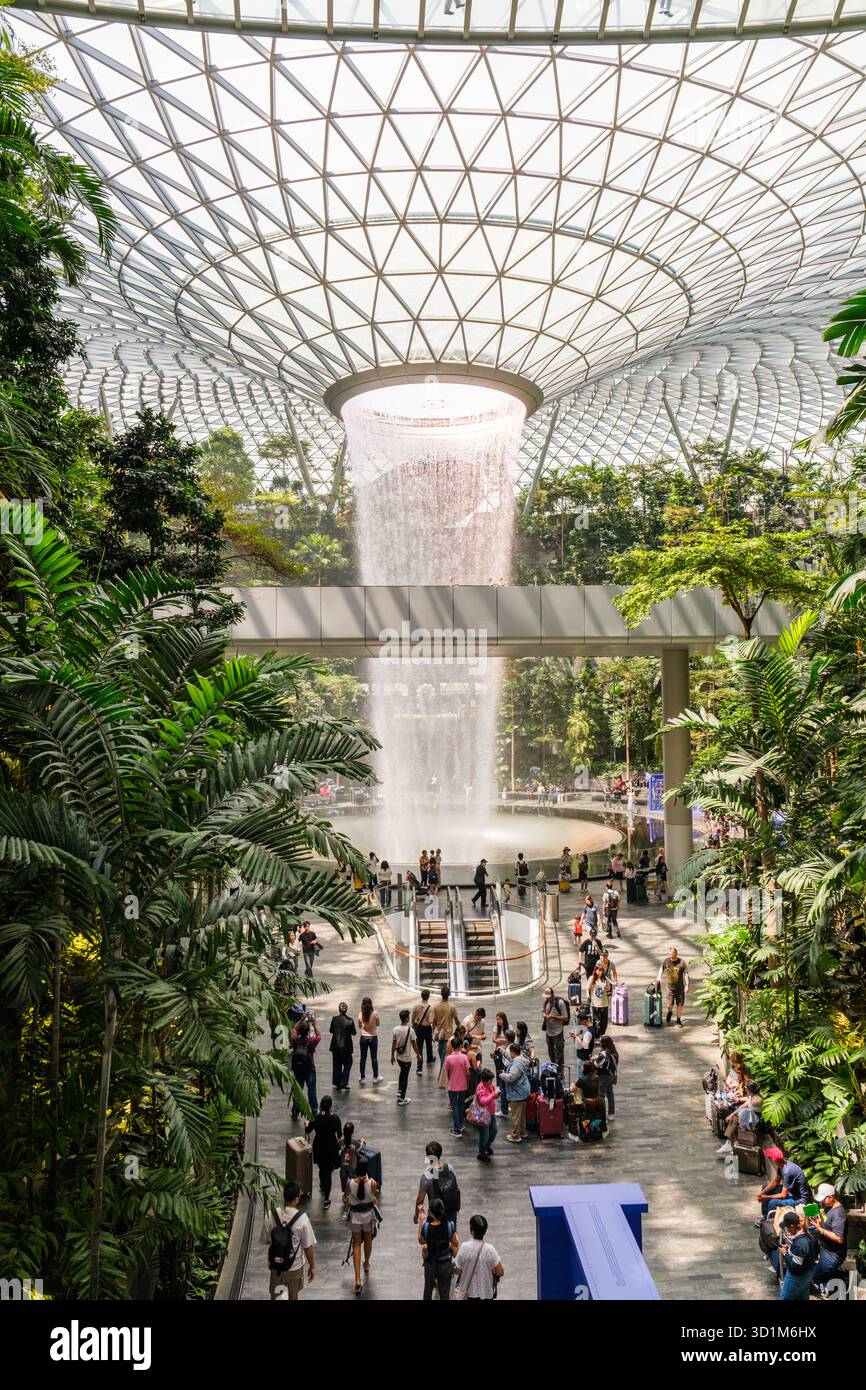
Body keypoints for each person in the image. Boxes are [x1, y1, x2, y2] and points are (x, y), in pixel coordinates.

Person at [261, 1180, 316, 1300]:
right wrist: (312, 1266)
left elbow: (265, 1240)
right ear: (296, 1199)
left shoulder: (271, 1214)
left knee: (277, 1295)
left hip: (276, 1264)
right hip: (294, 1265)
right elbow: (308, 1247)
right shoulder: (302, 1219)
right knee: (293, 1295)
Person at [344, 1156, 380, 1295]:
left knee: (356, 1243)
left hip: (355, 1217)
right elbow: (374, 1198)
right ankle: (366, 1263)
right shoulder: (372, 1183)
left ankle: (357, 1279)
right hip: (368, 1216)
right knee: (368, 1240)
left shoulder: (349, 1183)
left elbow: (345, 1198)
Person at [453, 1214, 504, 1301]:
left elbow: (457, 1269)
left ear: (472, 1231)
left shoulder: (464, 1247)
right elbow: (500, 1272)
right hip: (486, 1293)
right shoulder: (490, 1249)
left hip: (468, 1293)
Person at [413, 1140, 461, 1229]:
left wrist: (417, 1216)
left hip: (435, 1215)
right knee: (451, 1235)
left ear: (428, 1157)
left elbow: (420, 1201)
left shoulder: (427, 1176)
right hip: (450, 1211)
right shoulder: (449, 1168)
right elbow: (455, 1189)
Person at [419, 1197, 459, 1301]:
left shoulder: (426, 1227)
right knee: (444, 1293)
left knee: (428, 1290)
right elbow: (456, 1242)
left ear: (430, 1213)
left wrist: (420, 1221)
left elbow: (421, 1241)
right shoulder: (450, 1226)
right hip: (445, 1263)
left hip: (430, 1263)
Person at [305, 1096, 342, 1208]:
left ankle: (322, 1185)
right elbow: (339, 1134)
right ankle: (326, 1199)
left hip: (319, 1147)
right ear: (330, 1106)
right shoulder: (335, 1118)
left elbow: (308, 1130)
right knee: (328, 1173)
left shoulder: (317, 1118)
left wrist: (306, 1123)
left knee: (322, 1169)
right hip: (331, 1147)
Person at [809, 1184, 848, 1289]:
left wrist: (820, 1229)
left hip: (832, 1255)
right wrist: (820, 1222)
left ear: (831, 1197)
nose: (821, 1202)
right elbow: (828, 1223)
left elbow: (839, 1238)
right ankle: (831, 1278)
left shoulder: (838, 1214)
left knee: (813, 1278)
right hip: (825, 1249)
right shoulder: (829, 1207)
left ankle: (836, 1281)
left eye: (823, 1198)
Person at [757, 1148, 812, 1218]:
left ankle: (769, 1221)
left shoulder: (788, 1171)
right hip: (791, 1192)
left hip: (800, 1200)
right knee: (765, 1188)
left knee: (772, 1202)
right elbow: (776, 1181)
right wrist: (762, 1192)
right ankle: (765, 1217)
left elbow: (783, 1195)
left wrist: (766, 1197)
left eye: (770, 1158)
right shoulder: (782, 1166)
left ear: (774, 1160)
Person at [777, 1210, 819, 1301]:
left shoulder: (799, 1245)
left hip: (796, 1278)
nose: (786, 1230)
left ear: (792, 1227)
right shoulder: (808, 1235)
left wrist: (785, 1253)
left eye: (787, 1227)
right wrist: (789, 1249)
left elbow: (795, 1266)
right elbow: (804, 1255)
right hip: (807, 1275)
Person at [717, 1082, 763, 1154]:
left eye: (746, 1089)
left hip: (754, 1121)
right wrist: (731, 1115)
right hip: (748, 1118)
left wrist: (734, 1114)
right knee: (735, 1116)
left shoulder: (757, 1099)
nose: (745, 1090)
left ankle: (729, 1143)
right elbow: (743, 1106)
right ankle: (730, 1143)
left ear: (750, 1090)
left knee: (736, 1118)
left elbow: (748, 1106)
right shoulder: (752, 1096)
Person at [289, 1014, 320, 1119]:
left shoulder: (295, 1040)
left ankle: (295, 1112)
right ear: (307, 1032)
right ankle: (314, 1110)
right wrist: (314, 1025)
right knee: (311, 1091)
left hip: (298, 1070)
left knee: (298, 1092)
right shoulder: (311, 1042)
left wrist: (301, 1020)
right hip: (310, 1069)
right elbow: (319, 1036)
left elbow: (293, 1029)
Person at [444, 1033, 472, 1135]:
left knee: (454, 1106)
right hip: (463, 1085)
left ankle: (456, 1129)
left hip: (452, 1086)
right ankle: (460, 1124)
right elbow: (468, 1073)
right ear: (460, 1046)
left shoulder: (449, 1058)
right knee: (461, 1105)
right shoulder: (464, 1057)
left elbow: (448, 1071)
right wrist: (467, 1082)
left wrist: (449, 1080)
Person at [391, 1007, 420, 1105]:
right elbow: (414, 1044)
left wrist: (392, 1056)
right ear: (407, 1019)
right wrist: (418, 1054)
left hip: (399, 1057)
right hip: (407, 1057)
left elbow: (393, 1044)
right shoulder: (410, 1030)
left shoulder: (395, 1030)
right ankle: (402, 1098)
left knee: (402, 1074)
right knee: (405, 1077)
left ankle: (400, 1092)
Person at [503, 1043, 531, 1143]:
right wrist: (503, 1052)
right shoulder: (521, 1059)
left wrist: (502, 1075)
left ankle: (515, 1136)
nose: (509, 1053)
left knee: (516, 1116)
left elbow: (511, 1077)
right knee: (522, 1115)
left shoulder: (517, 1064)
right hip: (524, 1091)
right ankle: (523, 1132)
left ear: (513, 1052)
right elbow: (513, 1060)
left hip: (517, 1093)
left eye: (509, 1052)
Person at [657, 945, 690, 1026]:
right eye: (670, 954)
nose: (670, 955)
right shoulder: (666, 961)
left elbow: (686, 974)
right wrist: (659, 977)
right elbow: (662, 968)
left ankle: (678, 1020)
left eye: (672, 954)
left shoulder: (681, 962)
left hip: (679, 988)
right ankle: (670, 1011)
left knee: (679, 1004)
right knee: (669, 1004)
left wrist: (687, 985)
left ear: (676, 954)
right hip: (670, 988)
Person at [432, 984, 461, 1071]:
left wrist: (433, 1032)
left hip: (439, 1034)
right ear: (448, 995)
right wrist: (461, 1028)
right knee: (445, 1056)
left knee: (441, 1054)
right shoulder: (452, 1007)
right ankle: (443, 1076)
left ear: (441, 994)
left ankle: (443, 1075)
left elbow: (434, 1020)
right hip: (448, 1035)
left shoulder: (436, 1007)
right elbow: (456, 1020)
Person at [329, 1001, 356, 1091]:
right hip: (346, 1047)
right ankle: (343, 1082)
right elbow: (354, 1033)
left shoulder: (334, 1019)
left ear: (339, 1010)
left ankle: (337, 1083)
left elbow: (331, 1030)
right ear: (346, 1010)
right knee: (348, 1064)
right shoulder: (350, 1020)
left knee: (337, 1064)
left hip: (336, 1046)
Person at [541, 986, 569, 1070]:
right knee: (551, 1053)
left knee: (559, 1053)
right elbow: (543, 1011)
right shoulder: (545, 1002)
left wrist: (553, 1017)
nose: (547, 999)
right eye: (546, 997)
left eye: (548, 997)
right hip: (548, 1032)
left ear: (552, 995)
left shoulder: (560, 1003)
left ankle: (560, 1071)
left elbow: (565, 1017)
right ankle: (554, 1068)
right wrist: (544, 1015)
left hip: (558, 1032)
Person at [473, 1068, 498, 1161]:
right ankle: (482, 1153)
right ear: (485, 1080)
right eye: (490, 1080)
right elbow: (483, 1101)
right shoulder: (480, 1088)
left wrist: (495, 1095)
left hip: (491, 1114)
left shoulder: (489, 1086)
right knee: (484, 1135)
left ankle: (486, 1146)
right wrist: (493, 1096)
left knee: (494, 1132)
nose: (491, 1082)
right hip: (483, 1116)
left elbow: (492, 1096)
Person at [357, 996, 382, 1086]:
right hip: (373, 1037)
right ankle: (375, 1077)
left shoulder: (361, 1014)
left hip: (363, 1037)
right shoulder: (375, 1013)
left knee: (363, 1058)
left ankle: (362, 1077)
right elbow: (378, 1024)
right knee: (374, 1058)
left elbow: (359, 1027)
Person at [491, 1013, 511, 1117]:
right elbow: (494, 1039)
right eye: (497, 1019)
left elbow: (510, 1040)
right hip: (498, 1053)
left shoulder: (509, 1027)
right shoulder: (496, 1028)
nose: (498, 1021)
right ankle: (499, 1089)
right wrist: (504, 1040)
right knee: (498, 1070)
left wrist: (500, 1040)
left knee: (506, 1071)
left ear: (503, 1019)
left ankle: (505, 1094)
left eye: (499, 1019)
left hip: (507, 1052)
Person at [595, 1034, 619, 1121]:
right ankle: (611, 1114)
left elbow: (597, 1064)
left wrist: (594, 1060)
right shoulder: (615, 1053)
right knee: (610, 1095)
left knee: (601, 1095)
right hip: (611, 1076)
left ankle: (601, 1114)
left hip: (603, 1076)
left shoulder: (604, 1054)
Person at [411, 989, 435, 1072]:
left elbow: (413, 1018)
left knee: (419, 1047)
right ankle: (430, 1059)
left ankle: (419, 1067)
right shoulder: (430, 1007)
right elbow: (431, 1021)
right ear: (428, 997)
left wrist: (414, 1024)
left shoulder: (416, 1006)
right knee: (429, 1045)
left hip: (419, 1028)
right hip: (427, 1028)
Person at [338, 1120, 364, 1195]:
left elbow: (337, 1148)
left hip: (343, 1166)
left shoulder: (341, 1142)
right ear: (352, 1132)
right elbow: (360, 1148)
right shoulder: (355, 1143)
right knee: (353, 1181)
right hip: (352, 1167)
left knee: (343, 1180)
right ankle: (353, 1193)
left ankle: (344, 1194)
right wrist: (362, 1141)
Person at [570, 1007, 595, 1085]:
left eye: (580, 1022)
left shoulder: (588, 1032)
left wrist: (577, 1038)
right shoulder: (589, 1028)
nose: (579, 1023)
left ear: (584, 1021)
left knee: (581, 1080)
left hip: (583, 1058)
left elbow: (585, 1045)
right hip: (585, 1057)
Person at [589, 963, 612, 1037]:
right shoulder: (592, 978)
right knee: (596, 1022)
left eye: (601, 971)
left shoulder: (604, 979)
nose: (600, 972)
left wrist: (606, 987)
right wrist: (587, 994)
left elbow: (609, 988)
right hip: (595, 1004)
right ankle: (596, 1036)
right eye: (599, 970)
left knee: (604, 1022)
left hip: (604, 1003)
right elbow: (588, 987)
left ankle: (602, 1034)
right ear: (595, 970)